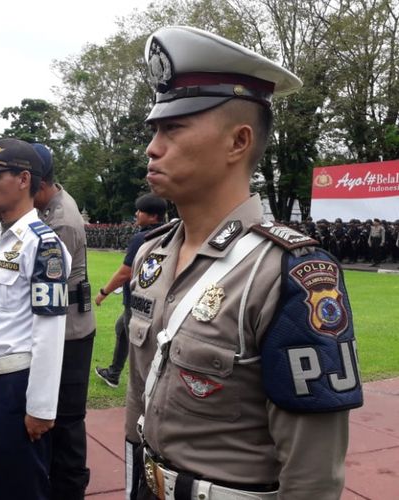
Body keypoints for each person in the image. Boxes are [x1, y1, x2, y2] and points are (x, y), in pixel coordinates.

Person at [125, 27, 363, 500]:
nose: (153, 146)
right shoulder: (153, 254)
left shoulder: (288, 272)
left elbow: (313, 474)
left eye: (173, 128)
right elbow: (140, 400)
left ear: (238, 142)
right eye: (155, 129)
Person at [0, 138, 71, 500]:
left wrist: (41, 406)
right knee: (4, 482)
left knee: (23, 488)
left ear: (24, 179)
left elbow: (50, 329)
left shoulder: (43, 244)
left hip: (17, 385)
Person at [31, 143, 95, 500]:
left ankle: (69, 487)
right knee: (55, 419)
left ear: (38, 184)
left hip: (69, 333)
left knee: (67, 420)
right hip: (64, 328)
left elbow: (42, 285)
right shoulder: (50, 208)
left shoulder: (61, 221)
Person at [94, 194, 167, 388]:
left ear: (152, 216)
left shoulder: (141, 237)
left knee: (138, 347)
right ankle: (113, 373)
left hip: (136, 301)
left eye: (140, 211)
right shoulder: (169, 234)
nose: (136, 214)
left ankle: (144, 388)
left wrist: (103, 292)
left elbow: (124, 273)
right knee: (121, 329)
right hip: (157, 298)